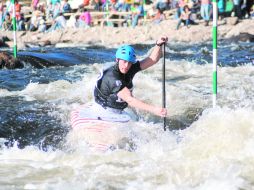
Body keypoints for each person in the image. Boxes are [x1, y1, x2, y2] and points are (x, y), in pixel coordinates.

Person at [93, 36, 168, 119]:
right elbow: (129, 99)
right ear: (117, 60)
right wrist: (154, 110)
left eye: (129, 63)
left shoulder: (130, 67)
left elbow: (152, 60)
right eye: (124, 61)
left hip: (119, 111)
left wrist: (158, 45)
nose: (126, 66)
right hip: (103, 111)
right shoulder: (112, 77)